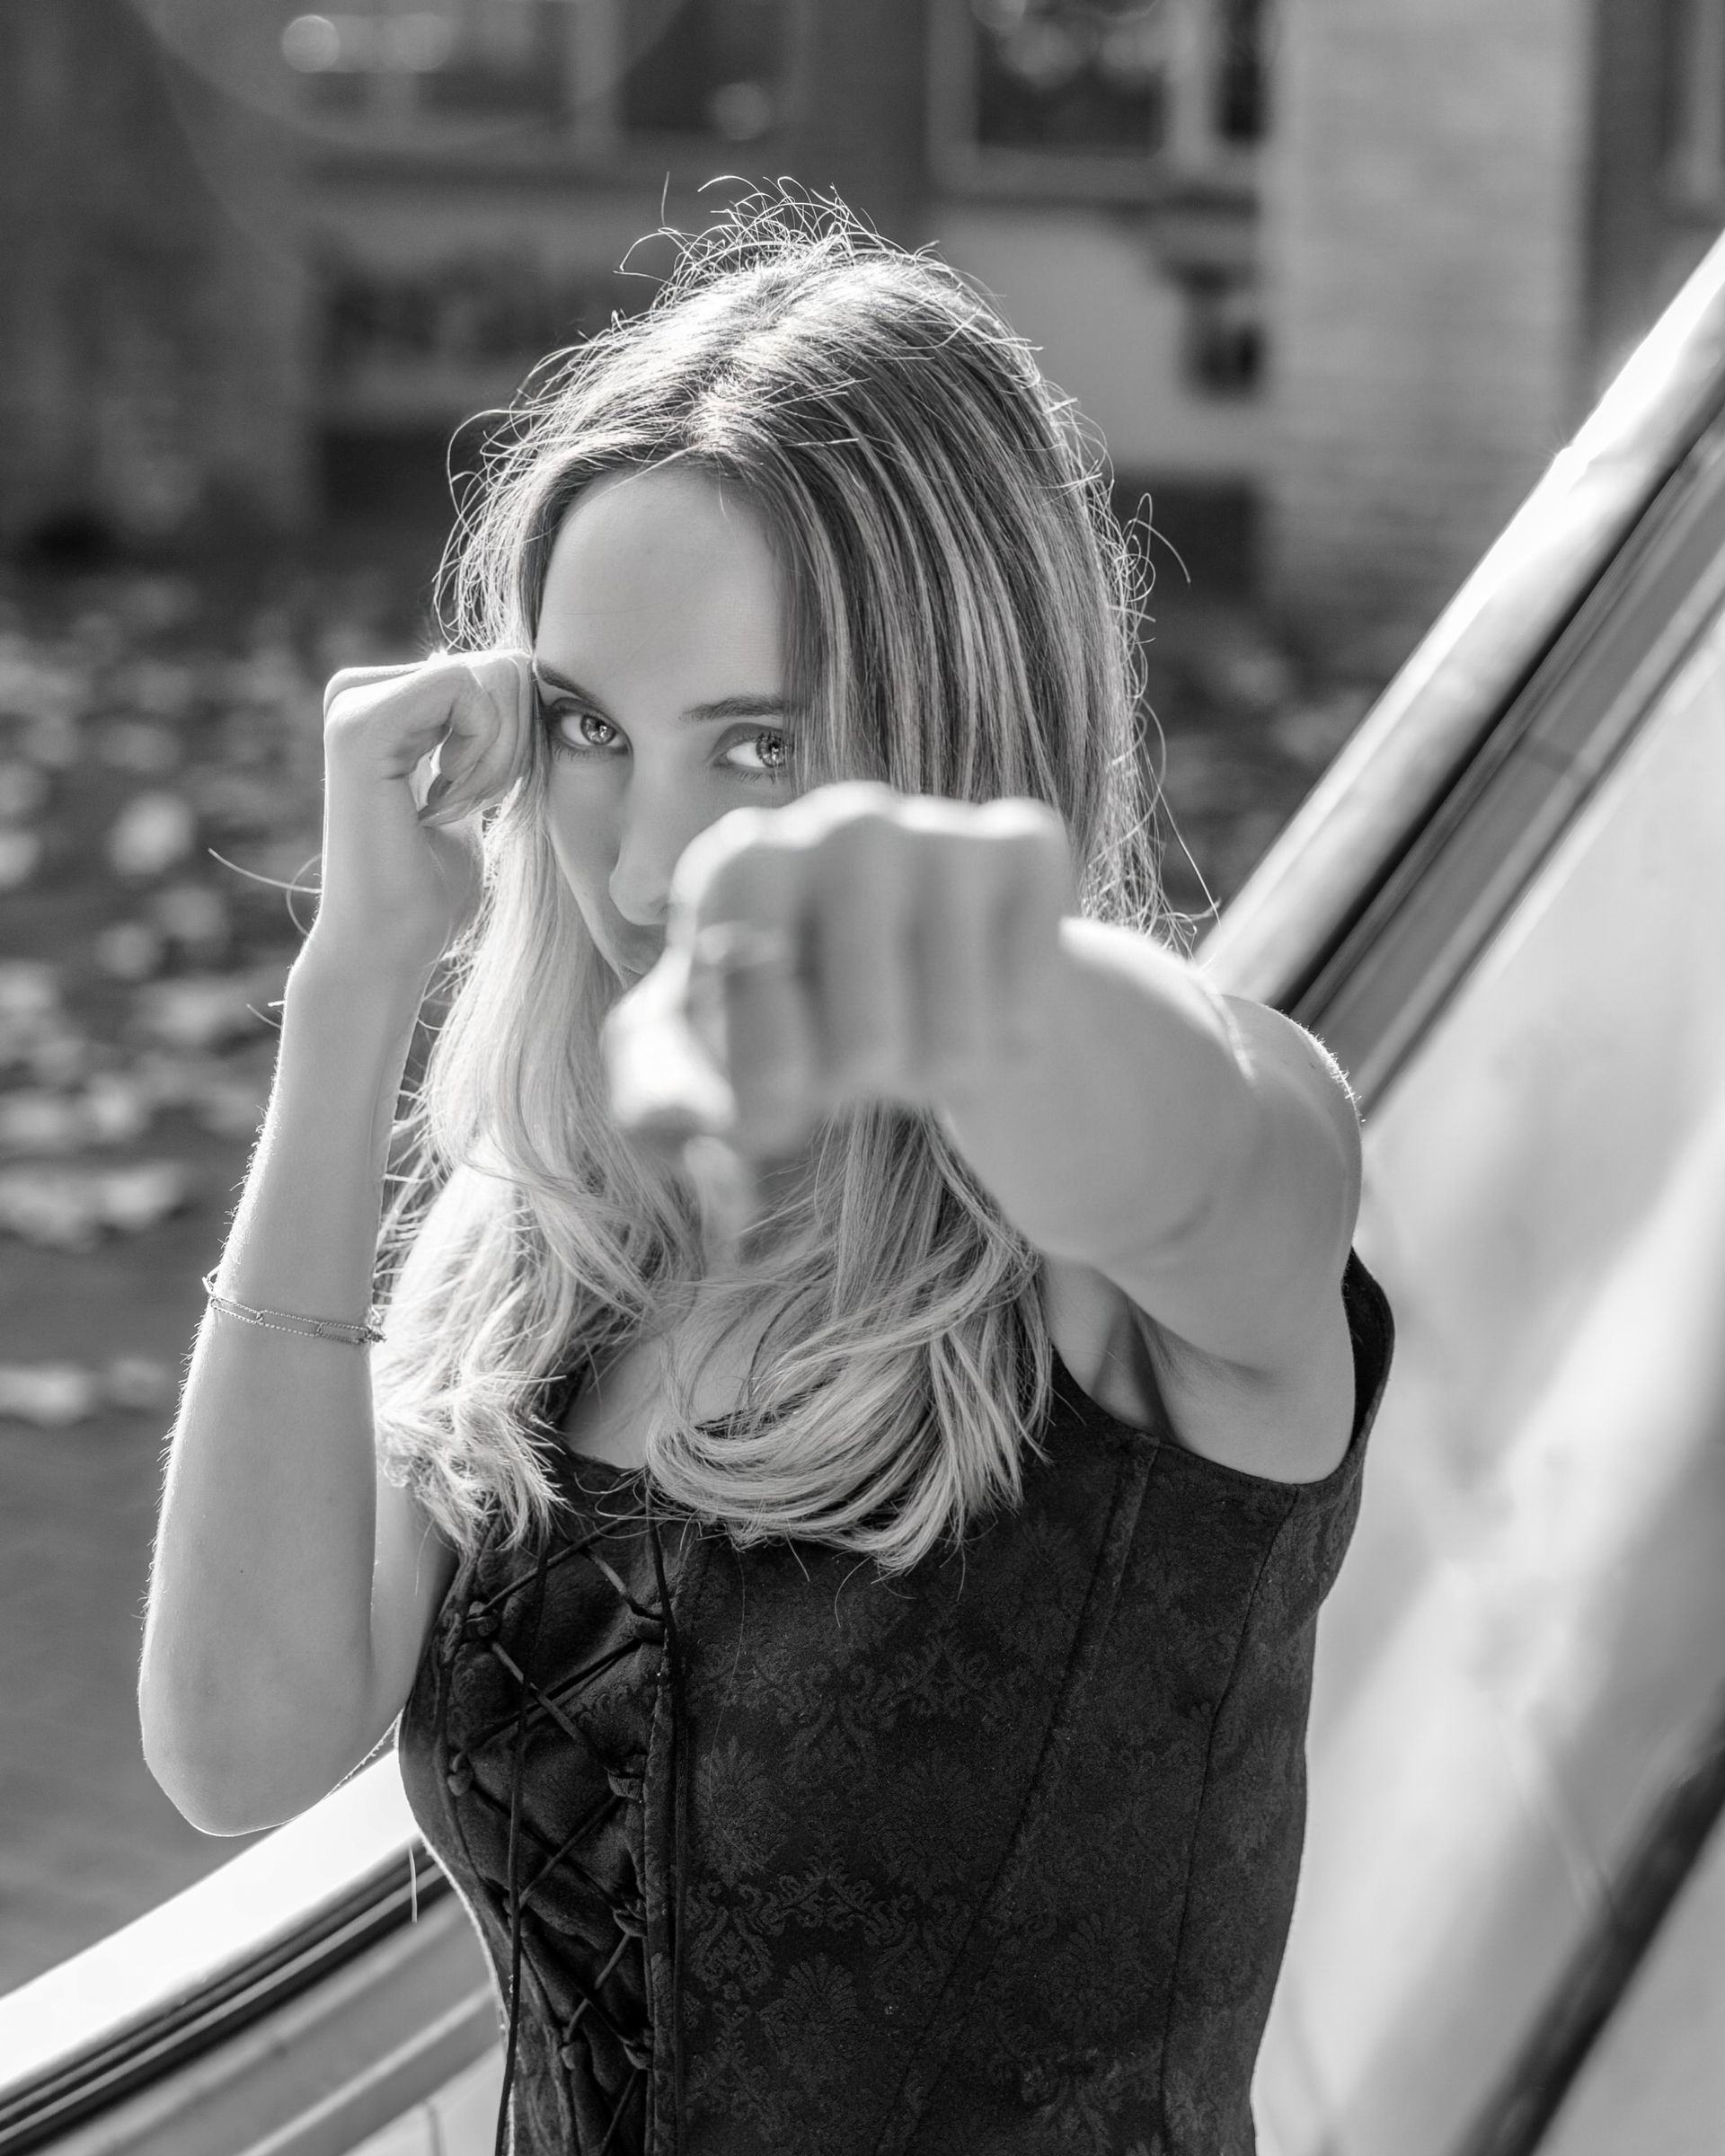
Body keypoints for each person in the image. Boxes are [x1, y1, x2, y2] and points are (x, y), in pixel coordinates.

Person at [141, 197, 1393, 2156]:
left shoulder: (1149, 1244)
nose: (642, 871)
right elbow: (235, 1742)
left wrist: (976, 976)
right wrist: (352, 985)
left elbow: (1231, 1151)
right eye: (587, 727)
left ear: (952, 732)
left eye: (758, 746)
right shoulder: (548, 1248)